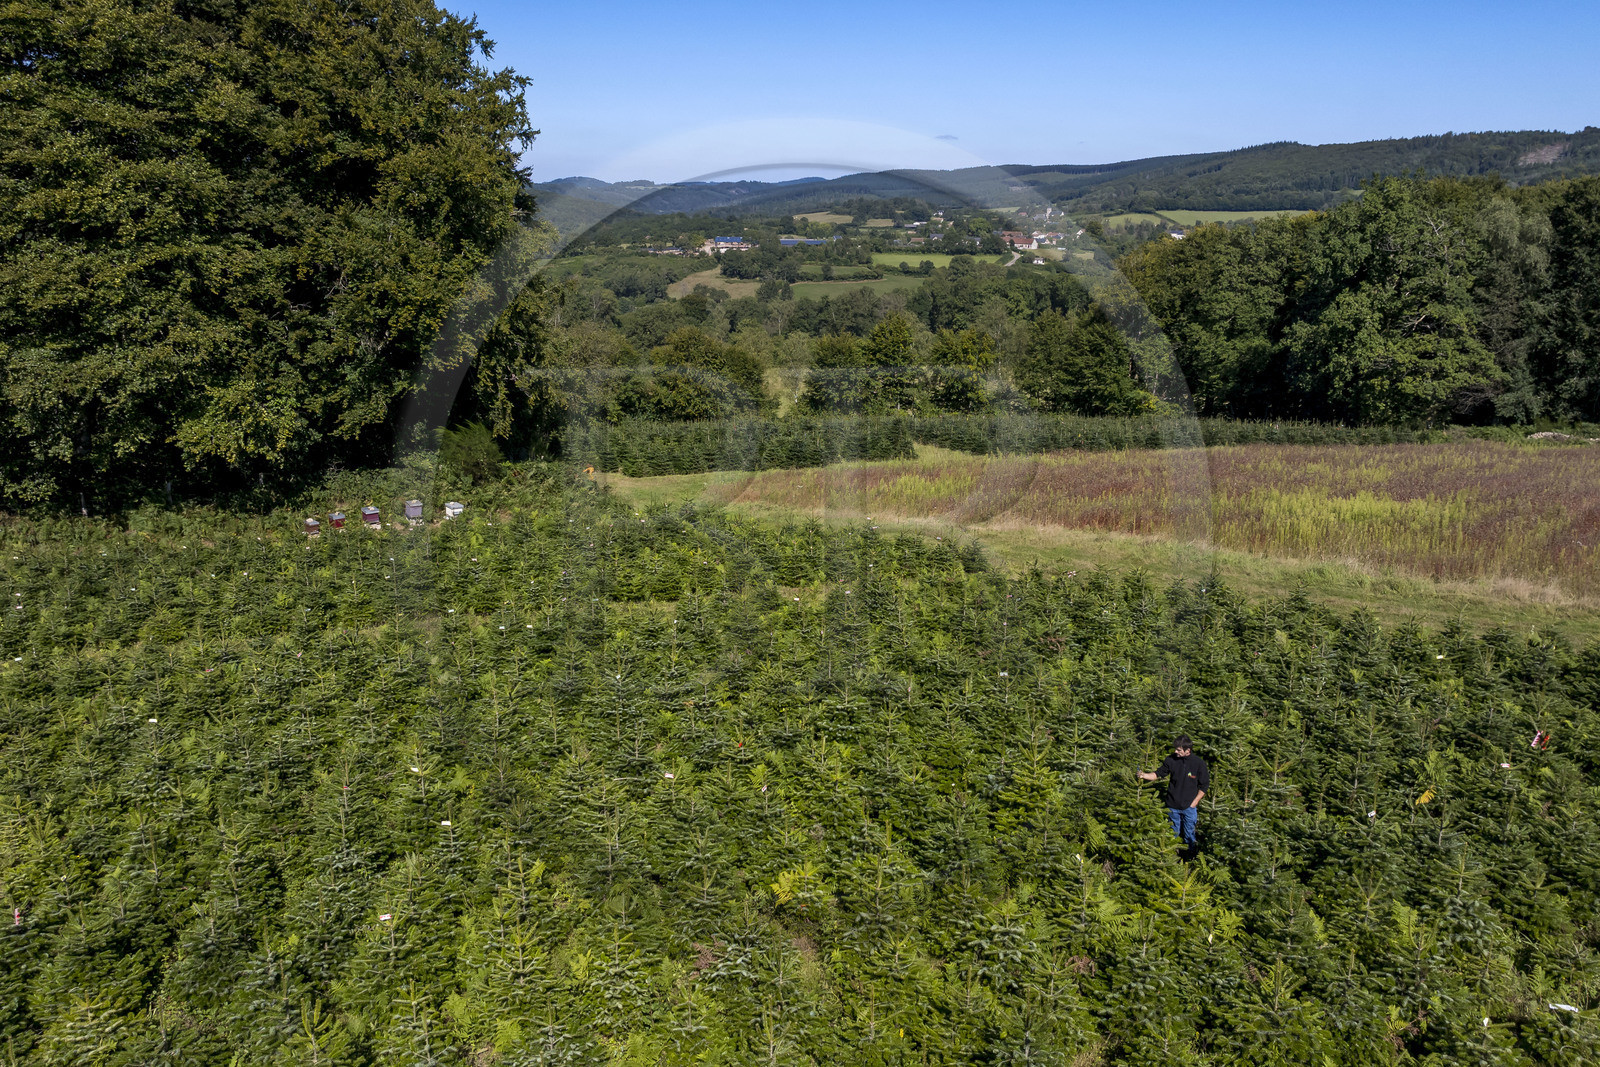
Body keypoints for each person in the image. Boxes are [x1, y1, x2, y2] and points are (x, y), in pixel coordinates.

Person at [1138, 735, 1209, 849]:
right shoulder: (1171, 760)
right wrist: (1143, 775)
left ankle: (1189, 857)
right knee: (1172, 835)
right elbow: (1158, 774)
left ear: (1188, 750)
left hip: (1189, 807)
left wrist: (1194, 803)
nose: (1175, 751)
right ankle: (1172, 856)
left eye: (1179, 750)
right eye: (1175, 749)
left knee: (1189, 835)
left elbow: (1204, 786)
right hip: (1172, 806)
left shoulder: (1198, 764)